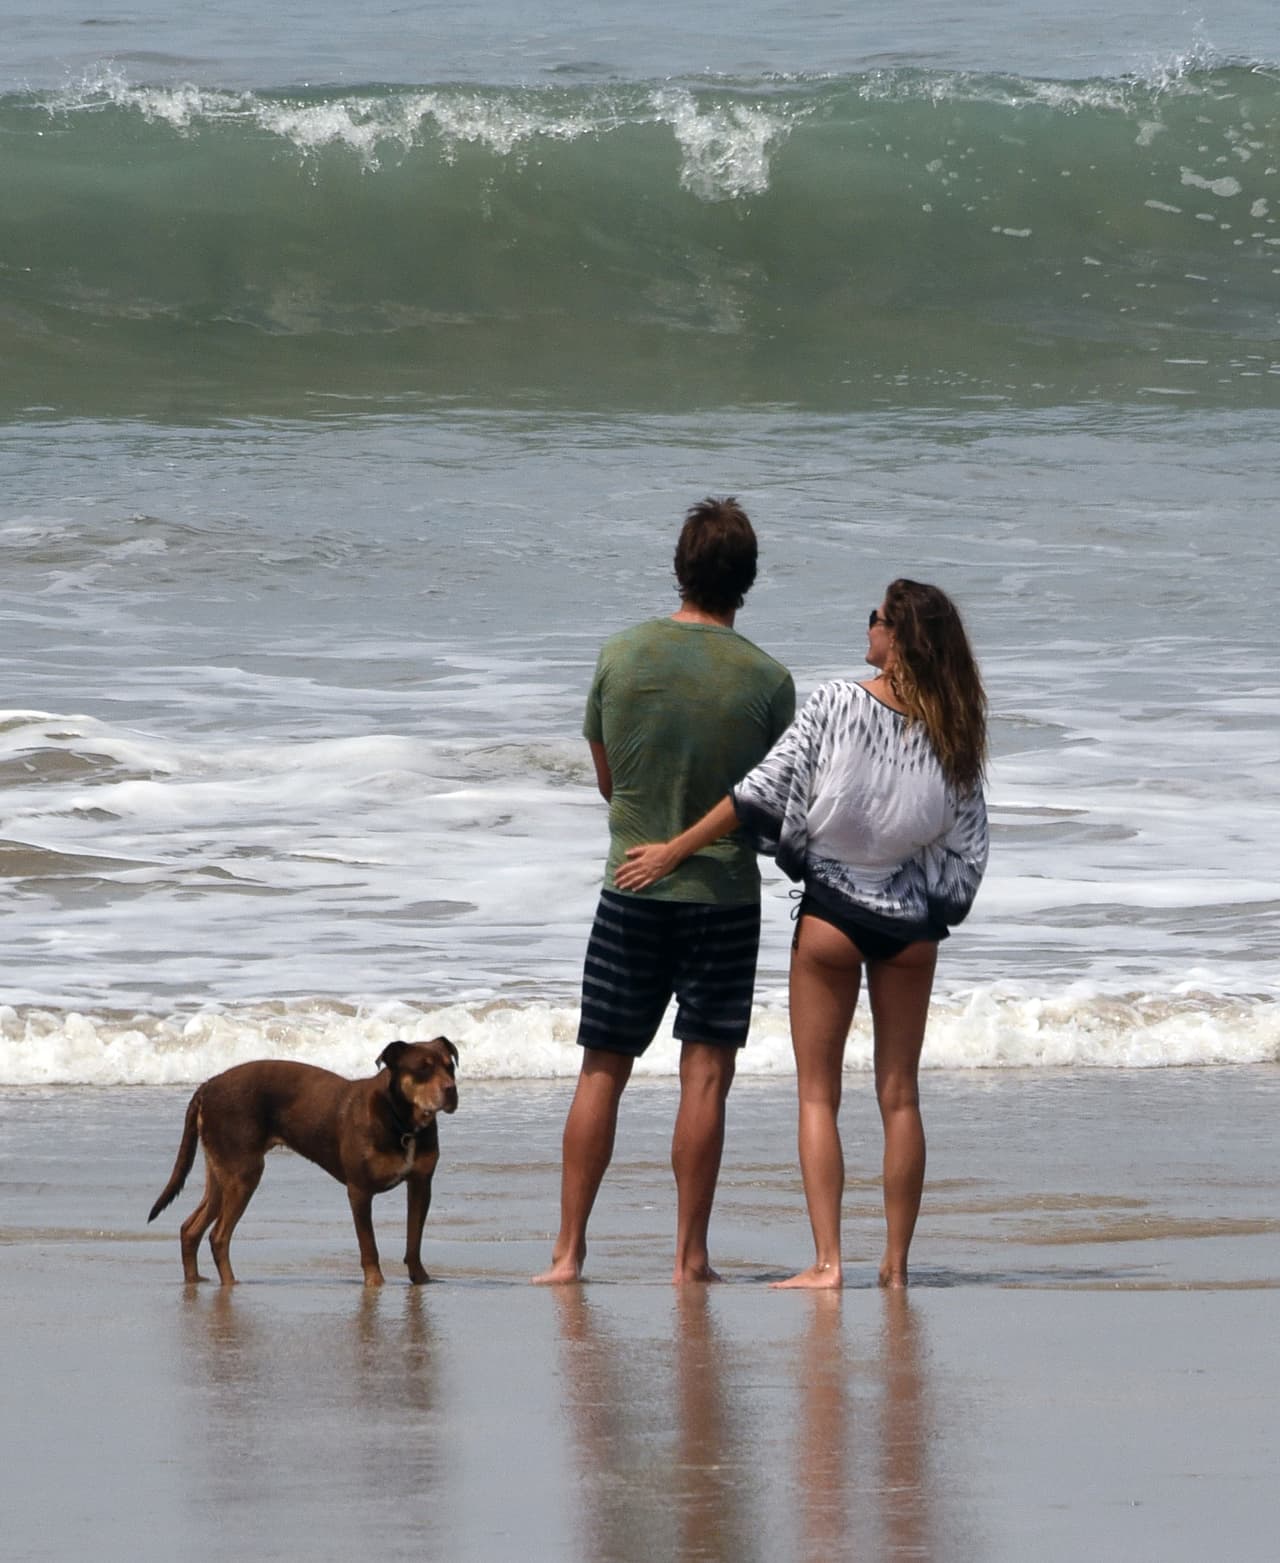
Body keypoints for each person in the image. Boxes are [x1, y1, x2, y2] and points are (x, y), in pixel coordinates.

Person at [615, 579, 988, 1289]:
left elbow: (754, 794)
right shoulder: (957, 732)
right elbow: (967, 851)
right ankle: (897, 1267)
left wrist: (674, 849)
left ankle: (828, 1262)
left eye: (875, 618)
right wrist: (922, 905)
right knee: (901, 1095)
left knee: (819, 1096)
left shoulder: (837, 702)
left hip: (831, 921)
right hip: (912, 929)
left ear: (897, 637)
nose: (868, 627)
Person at [532, 497, 795, 1285]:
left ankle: (569, 1252)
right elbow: (769, 801)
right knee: (706, 1075)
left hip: (630, 888)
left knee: (601, 1067)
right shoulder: (769, 682)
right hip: (722, 898)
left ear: (678, 567)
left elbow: (609, 781)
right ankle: (689, 1257)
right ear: (746, 581)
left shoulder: (621, 653)